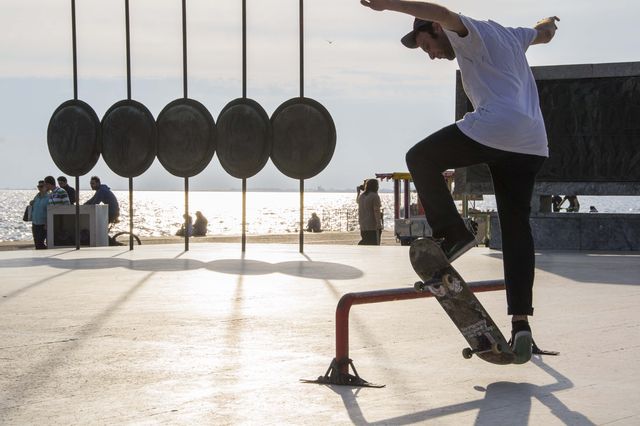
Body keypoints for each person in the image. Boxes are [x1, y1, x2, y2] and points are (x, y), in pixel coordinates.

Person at [360, 0, 559, 363]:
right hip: (532, 142)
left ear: (435, 30)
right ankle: (521, 325)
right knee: (516, 227)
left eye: (427, 46)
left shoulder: (466, 32)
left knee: (419, 157)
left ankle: (454, 233)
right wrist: (548, 22)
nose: (432, 55)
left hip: (497, 127)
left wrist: (389, 4)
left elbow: (442, 13)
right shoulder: (514, 35)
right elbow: (544, 34)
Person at [357, 179, 383, 245]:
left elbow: (357, 201)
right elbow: (376, 211)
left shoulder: (361, 196)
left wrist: (358, 192)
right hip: (373, 226)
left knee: (366, 242)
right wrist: (379, 224)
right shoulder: (375, 196)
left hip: (363, 225)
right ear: (375, 186)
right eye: (377, 185)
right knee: (374, 245)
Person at [30, 180, 49, 249]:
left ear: (46, 187)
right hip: (35, 223)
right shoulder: (36, 197)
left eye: (41, 186)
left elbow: (49, 212)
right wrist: (31, 203)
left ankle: (44, 257)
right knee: (36, 243)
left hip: (43, 224)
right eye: (38, 186)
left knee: (40, 242)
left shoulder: (49, 197)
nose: (39, 188)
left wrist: (46, 223)